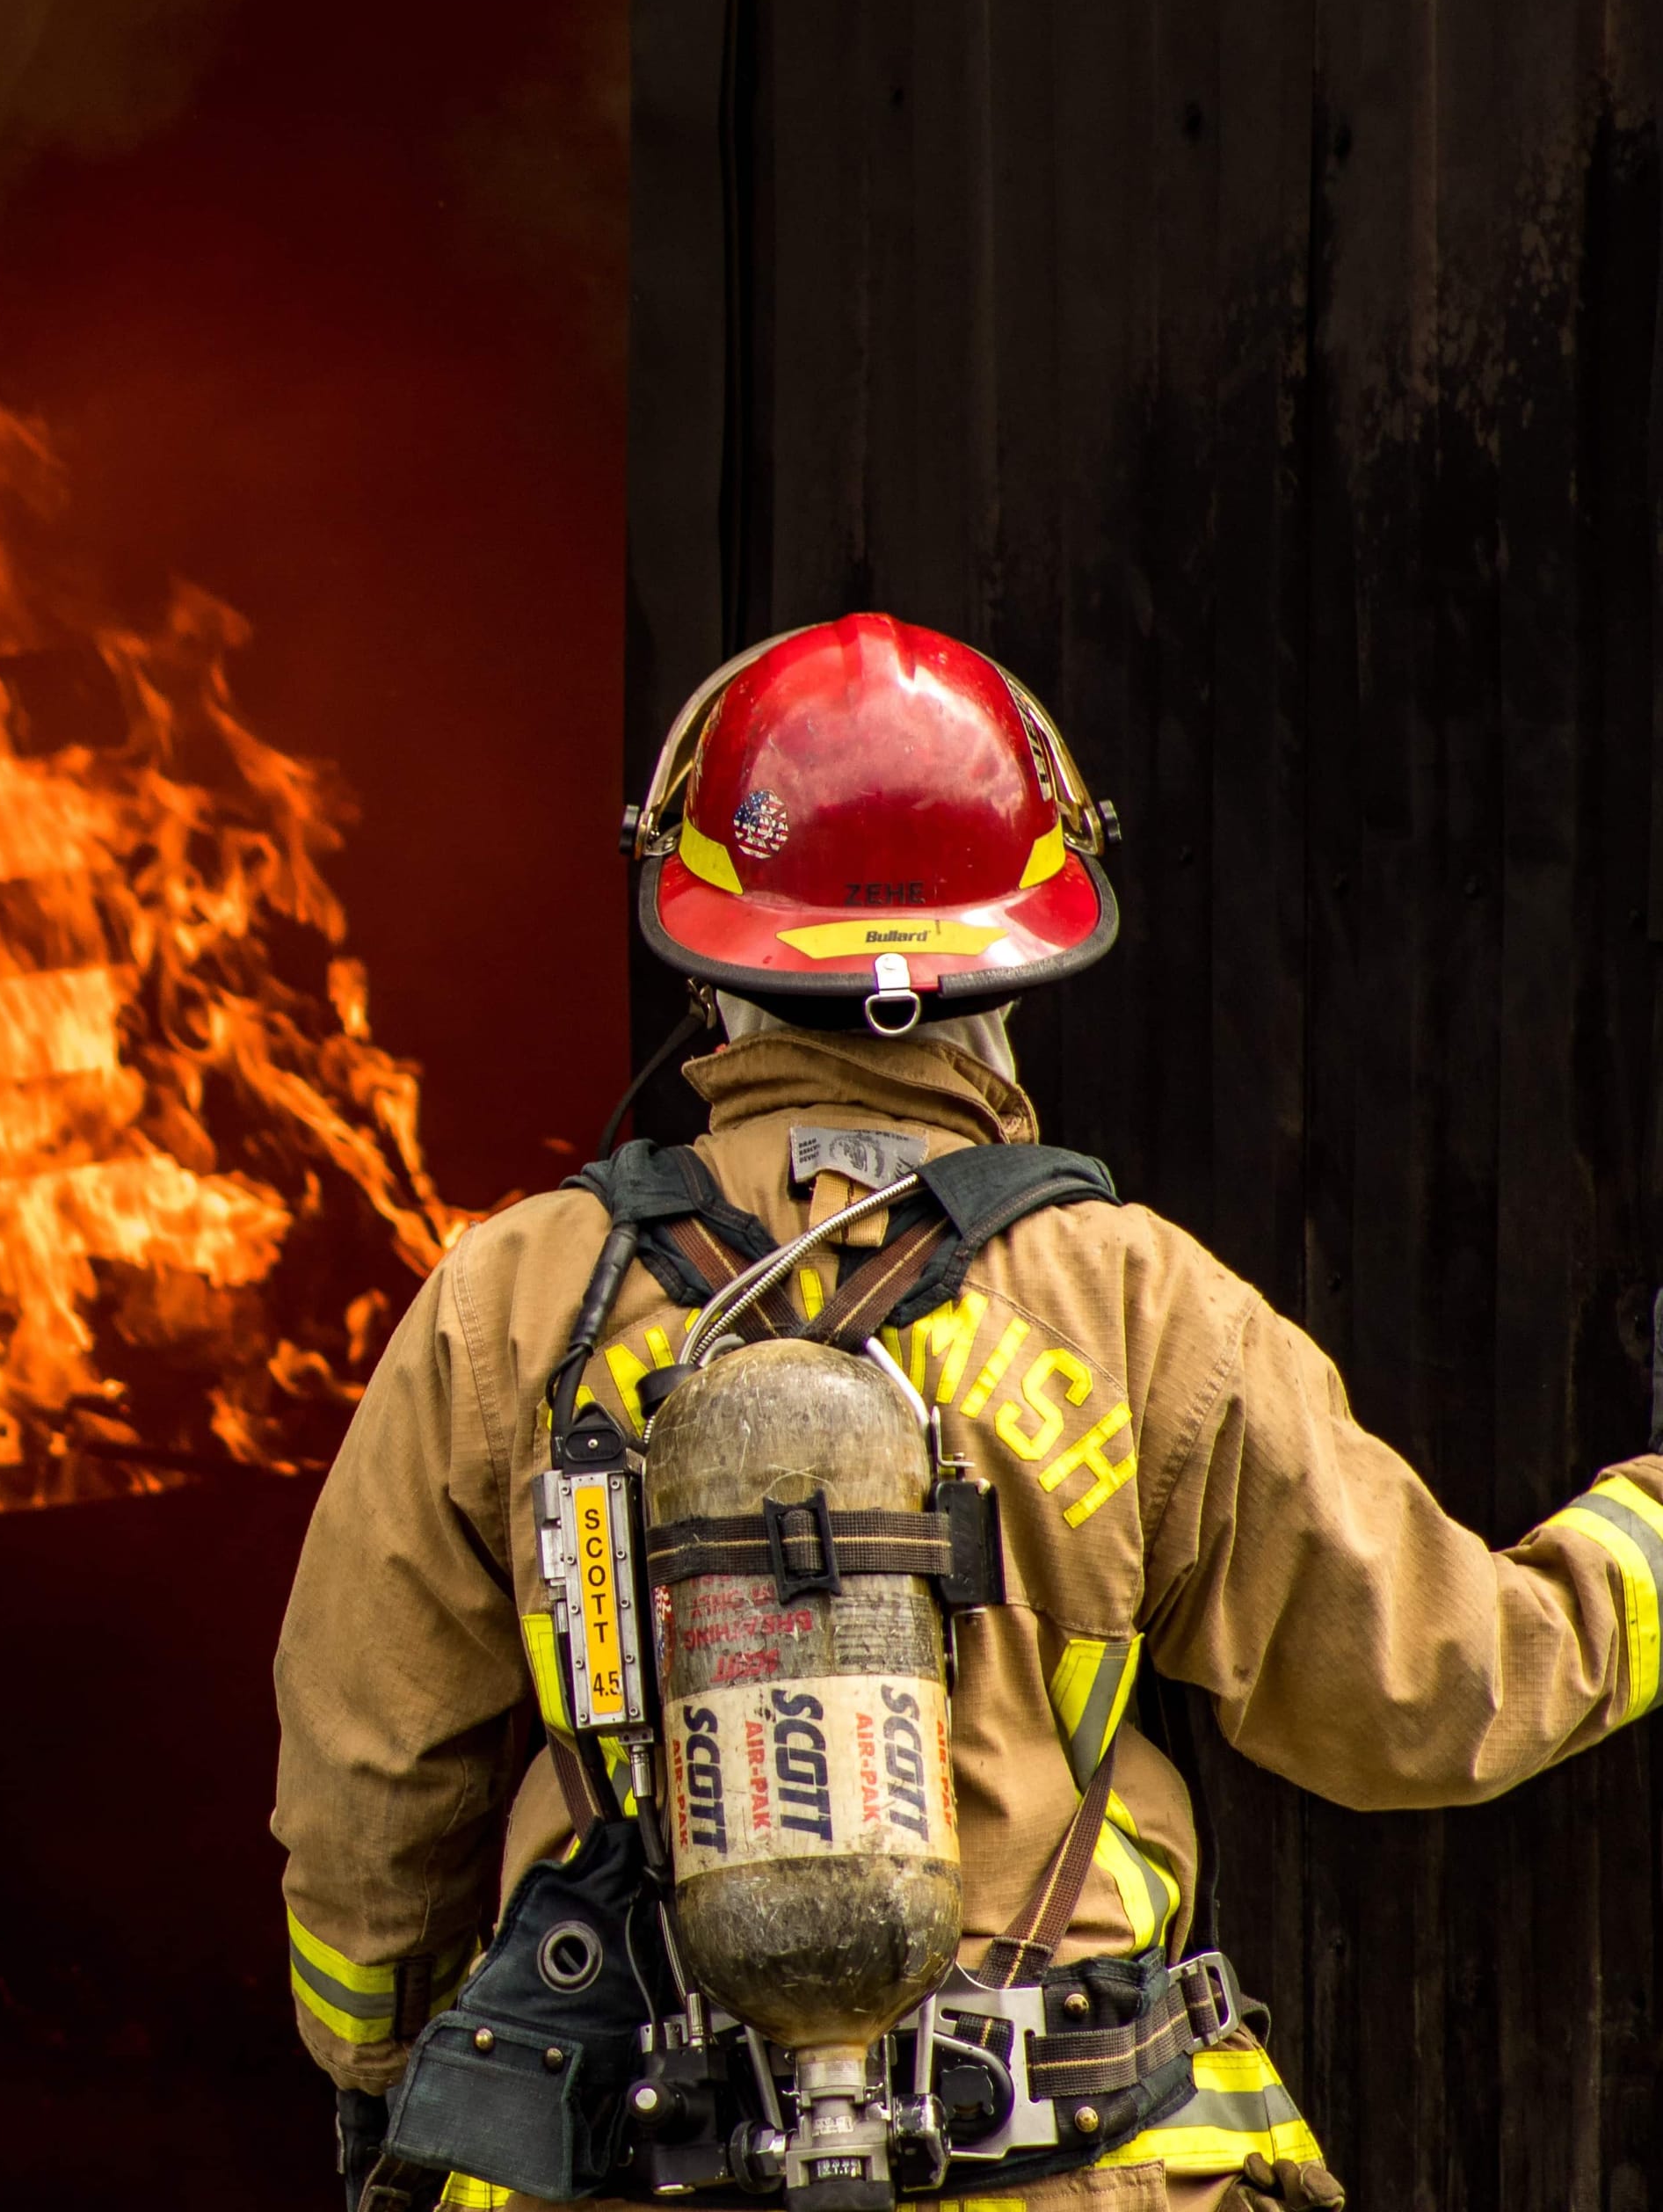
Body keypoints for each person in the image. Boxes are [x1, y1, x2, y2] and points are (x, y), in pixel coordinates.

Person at [275, 615, 1663, 2210]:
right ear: (1018, 967)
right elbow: (1438, 1689)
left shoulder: (515, 1303)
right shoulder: (1139, 1305)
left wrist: (392, 2075)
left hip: (625, 2164)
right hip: (1071, 2160)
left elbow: (365, 1782)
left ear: (706, 964)